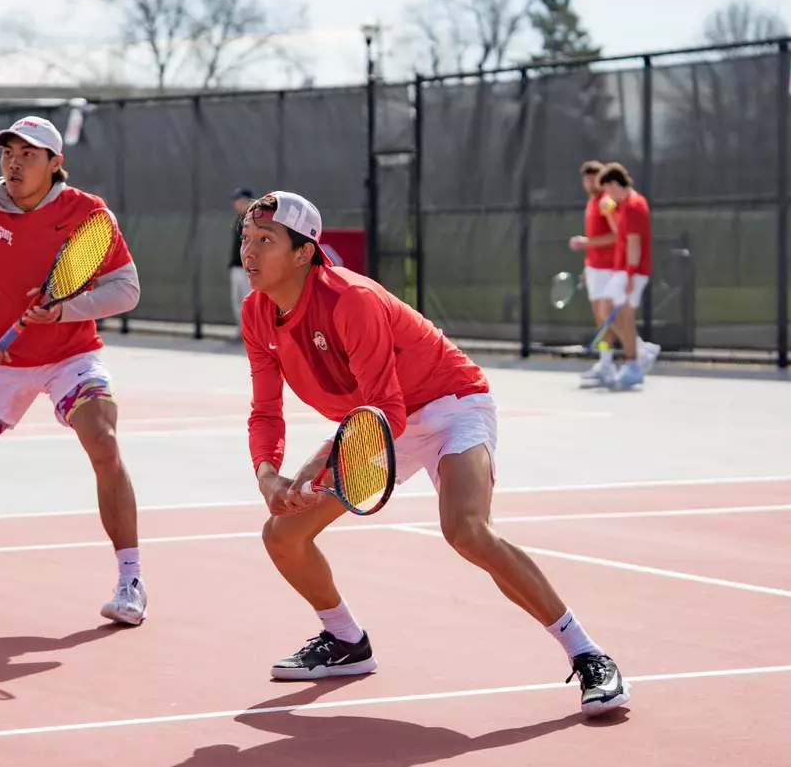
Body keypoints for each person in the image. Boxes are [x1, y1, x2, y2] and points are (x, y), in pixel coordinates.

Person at [240, 191, 629, 716]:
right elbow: (266, 410)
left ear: (305, 252)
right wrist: (268, 476)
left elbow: (385, 412)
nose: (250, 251)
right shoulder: (256, 312)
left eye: (266, 241)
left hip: (449, 402)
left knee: (467, 531)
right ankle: (346, 640)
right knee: (282, 534)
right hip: (379, 419)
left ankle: (588, 654)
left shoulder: (351, 299)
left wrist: (311, 469)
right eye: (247, 238)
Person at [0, 116, 149, 625]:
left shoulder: (88, 214)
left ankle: (130, 579)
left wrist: (65, 310)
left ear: (55, 164)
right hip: (2, 364)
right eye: (9, 152)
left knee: (105, 443)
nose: (15, 162)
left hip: (72, 355)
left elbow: (127, 289)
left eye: (29, 154)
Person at [596, 164, 658, 390]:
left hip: (630, 271)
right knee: (609, 312)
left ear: (614, 184)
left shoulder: (632, 206)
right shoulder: (625, 206)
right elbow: (621, 234)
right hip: (624, 269)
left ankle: (634, 364)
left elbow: (634, 242)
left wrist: (630, 274)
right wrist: (610, 212)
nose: (607, 196)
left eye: (608, 190)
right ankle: (640, 352)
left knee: (621, 315)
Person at [567, 161, 621, 386]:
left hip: (609, 268)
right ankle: (605, 362)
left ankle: (638, 351)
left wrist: (586, 242)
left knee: (607, 316)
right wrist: (586, 269)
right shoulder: (591, 203)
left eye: (595, 177)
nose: (590, 182)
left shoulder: (606, 203)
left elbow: (618, 235)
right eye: (586, 178)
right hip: (595, 268)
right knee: (600, 318)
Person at [229, 186, 255, 328]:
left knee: (248, 301)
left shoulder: (254, 219)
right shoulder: (239, 219)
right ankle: (242, 332)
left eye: (239, 199)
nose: (236, 203)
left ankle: (252, 334)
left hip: (248, 268)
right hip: (236, 266)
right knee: (237, 301)